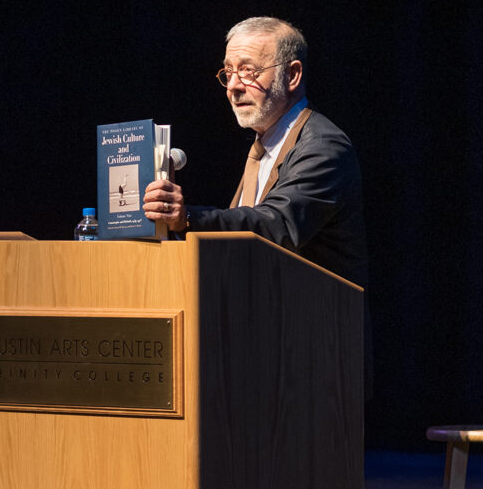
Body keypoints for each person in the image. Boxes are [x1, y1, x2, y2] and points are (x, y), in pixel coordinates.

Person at [143, 16, 368, 288]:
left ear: (292, 75)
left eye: (249, 71)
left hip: (316, 322)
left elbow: (276, 225)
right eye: (228, 72)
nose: (234, 87)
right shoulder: (265, 145)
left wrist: (189, 219)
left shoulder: (323, 146)